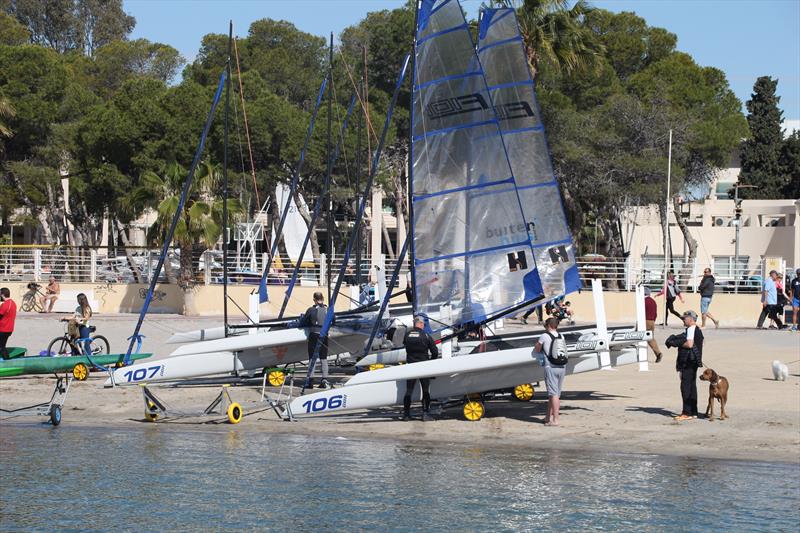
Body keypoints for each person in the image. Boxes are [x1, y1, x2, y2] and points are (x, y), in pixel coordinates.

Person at [401, 315, 439, 421]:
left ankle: (406, 414)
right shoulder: (426, 335)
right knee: (426, 390)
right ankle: (425, 414)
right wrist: (431, 361)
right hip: (423, 366)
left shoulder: (407, 335)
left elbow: (405, 345)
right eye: (423, 324)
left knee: (409, 391)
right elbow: (435, 352)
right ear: (421, 324)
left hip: (411, 366)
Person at [534, 317, 567, 426]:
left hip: (551, 367)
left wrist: (537, 345)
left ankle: (556, 420)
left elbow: (538, 349)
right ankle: (548, 417)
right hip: (562, 367)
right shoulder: (561, 335)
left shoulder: (544, 336)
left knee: (554, 395)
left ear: (547, 325)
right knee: (553, 394)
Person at [674, 310, 703, 421]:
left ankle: (686, 412)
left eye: (684, 318)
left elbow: (690, 344)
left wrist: (678, 343)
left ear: (691, 319)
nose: (683, 320)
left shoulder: (691, 329)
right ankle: (693, 411)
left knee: (685, 386)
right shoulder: (698, 330)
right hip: (694, 361)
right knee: (692, 386)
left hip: (688, 361)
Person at [300, 292, 331, 389]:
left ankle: (310, 382)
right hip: (324, 336)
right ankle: (324, 380)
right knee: (323, 358)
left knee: (312, 359)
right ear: (323, 298)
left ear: (314, 299)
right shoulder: (328, 310)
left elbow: (303, 322)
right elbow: (332, 321)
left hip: (314, 335)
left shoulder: (311, 310)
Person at [643, 287, 663, 363]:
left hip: (645, 321)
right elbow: (655, 314)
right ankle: (658, 353)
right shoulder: (653, 301)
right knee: (650, 338)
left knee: (637, 336)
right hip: (652, 321)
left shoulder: (644, 301)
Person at [0, 287, 17, 360]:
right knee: (2, 345)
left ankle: (7, 360)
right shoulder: (13, 303)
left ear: (2, 295)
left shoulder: (5, 305)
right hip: (9, 329)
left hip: (3, 329)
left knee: (1, 347)